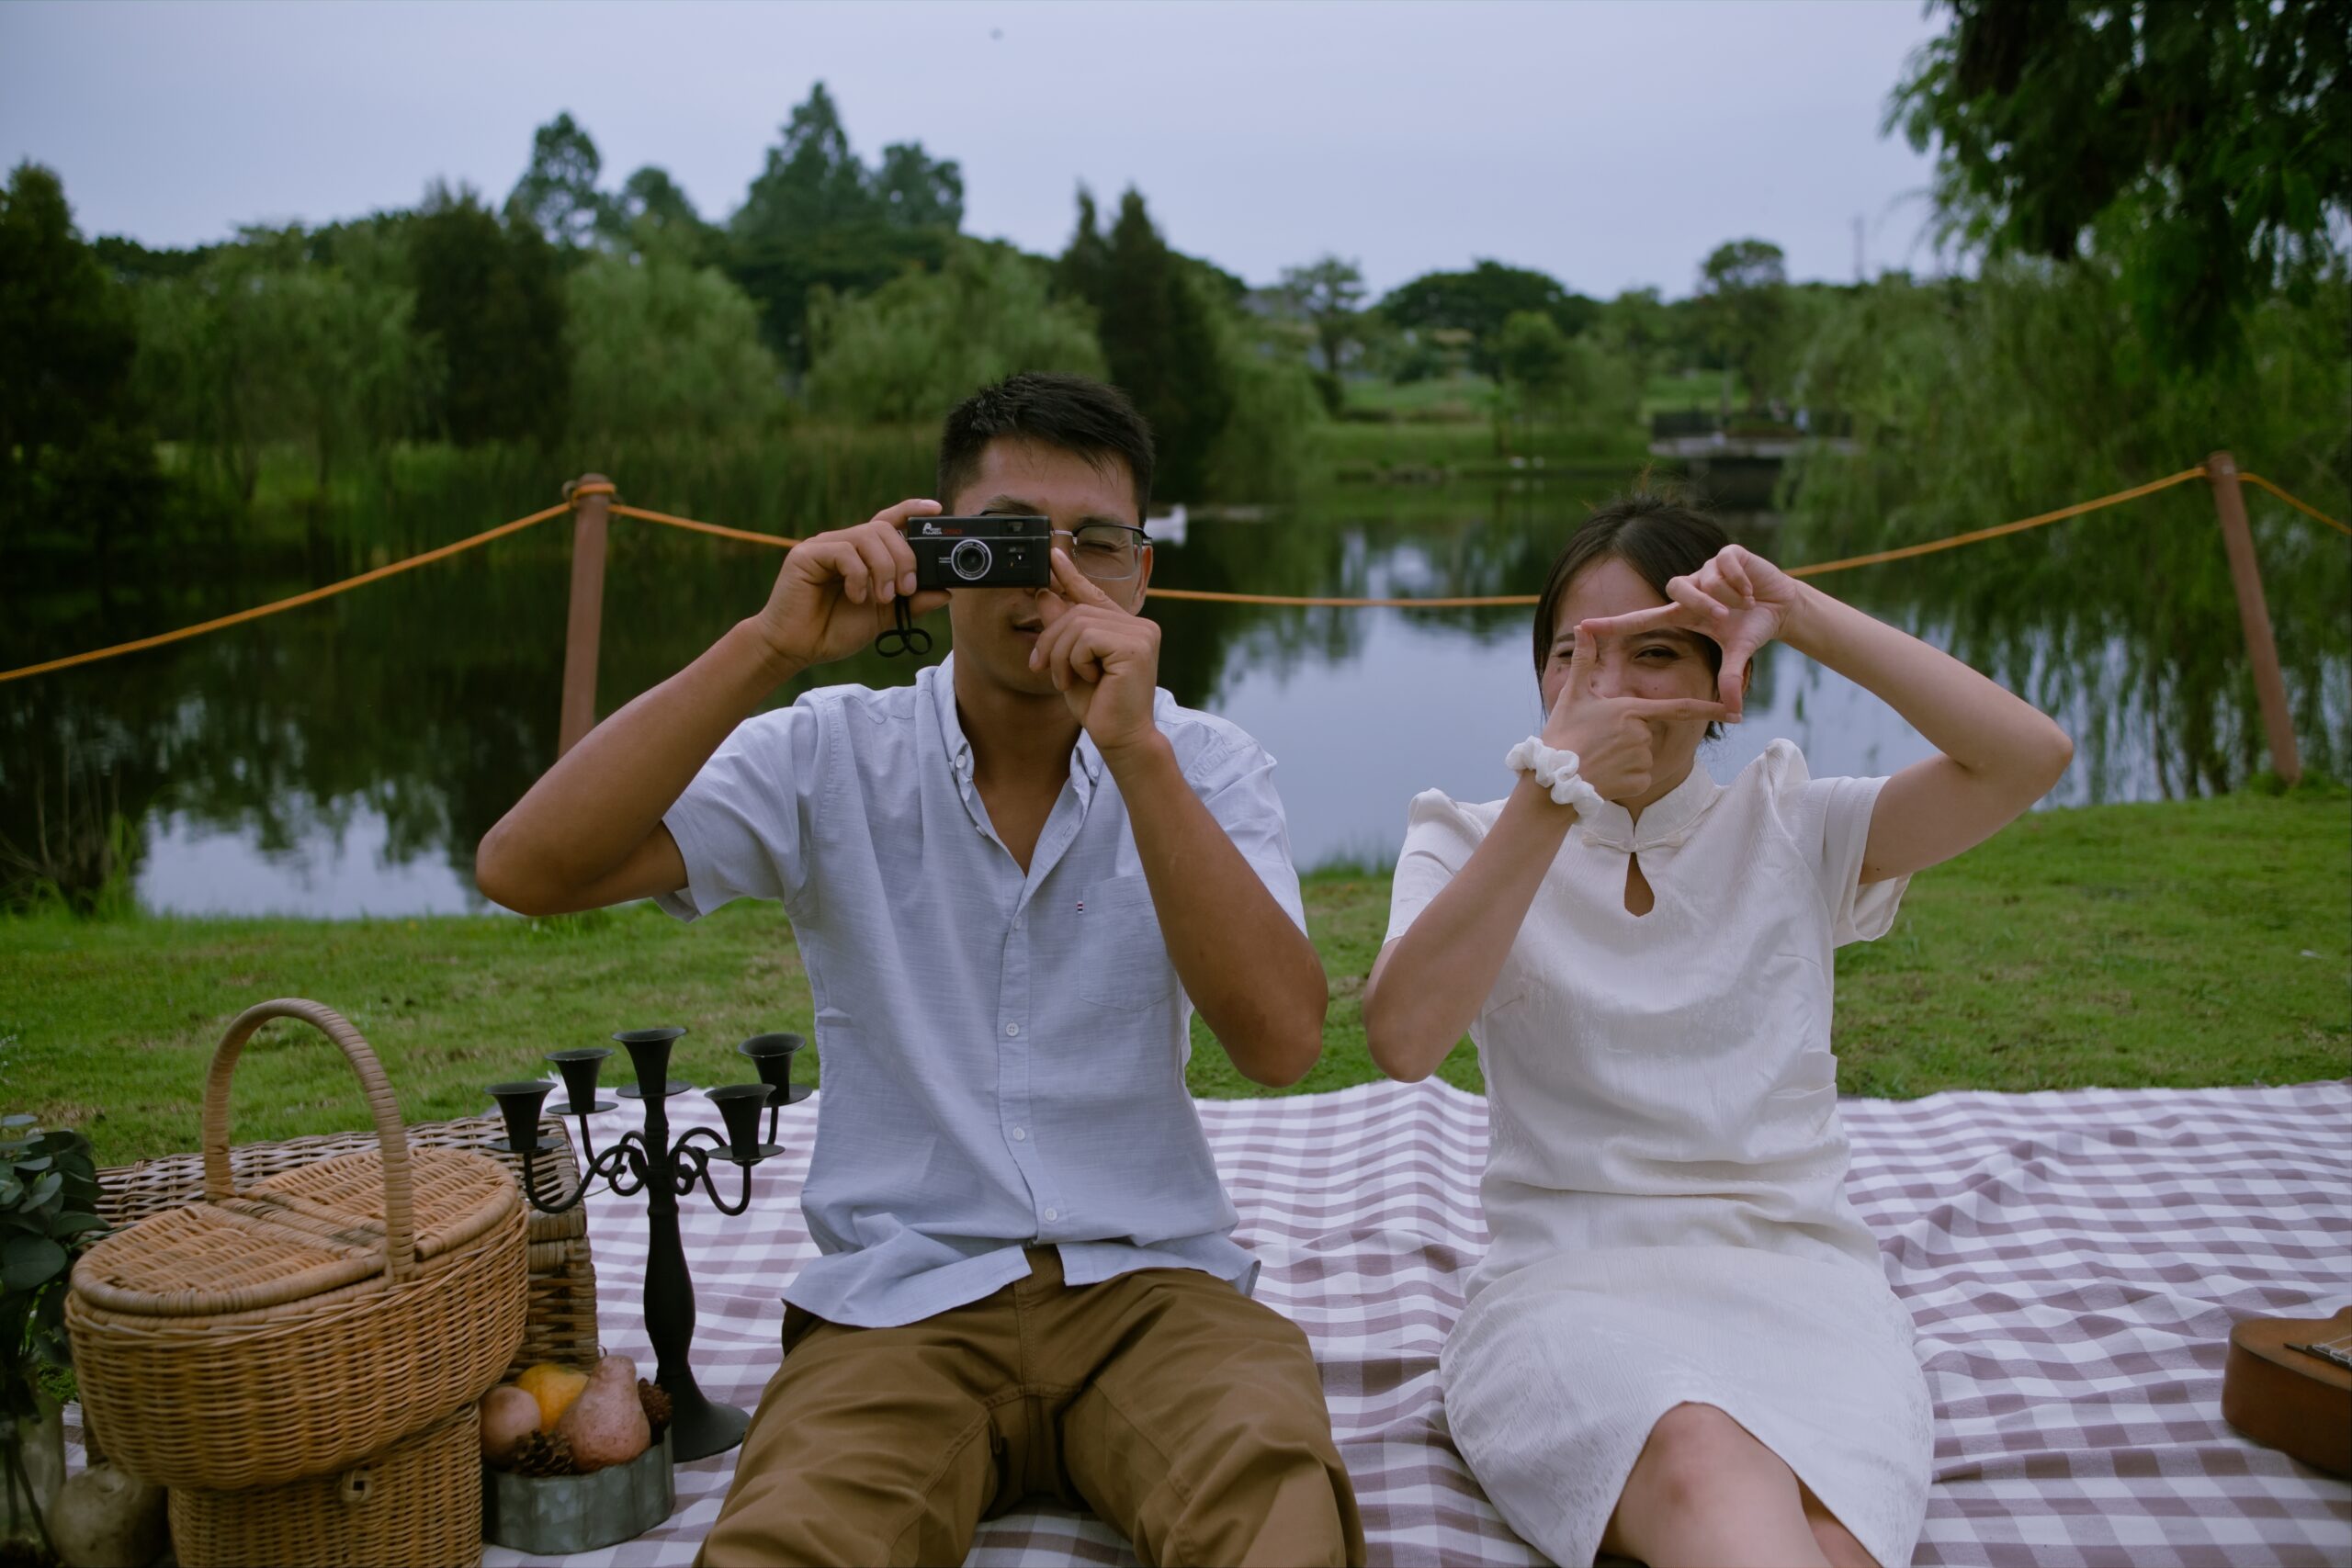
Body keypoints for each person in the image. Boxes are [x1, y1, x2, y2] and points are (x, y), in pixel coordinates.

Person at [475, 373, 1363, 1568]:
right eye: (1011, 541)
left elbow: (1282, 1043)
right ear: (940, 557)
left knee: (1277, 1519)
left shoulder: (1202, 761)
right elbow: (525, 866)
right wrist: (770, 645)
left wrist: (1136, 751)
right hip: (900, 1302)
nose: (1053, 578)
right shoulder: (832, 750)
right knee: (792, 1542)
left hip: (1155, 1290)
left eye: (1095, 544)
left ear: (1142, 575)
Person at [1362, 493, 2074, 1568]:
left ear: (1721, 677)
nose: (1604, 686)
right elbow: (1402, 1037)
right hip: (1566, 1286)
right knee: (1700, 1458)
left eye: (1651, 651)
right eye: (1571, 655)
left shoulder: (1791, 821)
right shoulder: (1467, 837)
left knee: (1832, 1533)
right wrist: (1549, 797)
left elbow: (2026, 757)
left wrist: (1799, 613)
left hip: (1798, 1280)